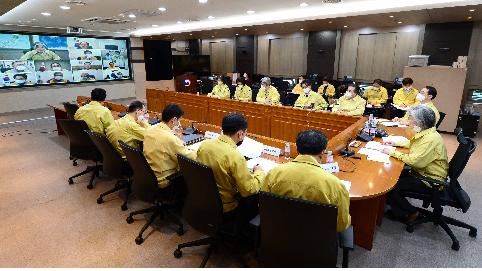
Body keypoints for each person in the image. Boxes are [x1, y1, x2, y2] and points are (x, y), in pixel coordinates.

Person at [262, 130, 351, 232]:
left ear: (297, 148)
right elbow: (341, 225)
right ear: (323, 152)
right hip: (317, 242)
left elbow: (264, 206)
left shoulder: (274, 173)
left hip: (279, 234)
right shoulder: (336, 186)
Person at [382, 105, 448, 222]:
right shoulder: (427, 132)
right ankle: (396, 206)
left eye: (411, 117)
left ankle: (411, 212)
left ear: (419, 121)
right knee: (389, 176)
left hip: (429, 179)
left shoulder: (430, 139)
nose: (408, 120)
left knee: (390, 186)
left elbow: (415, 162)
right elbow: (413, 144)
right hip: (423, 172)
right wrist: (394, 142)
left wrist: (393, 152)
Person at [197, 112, 265, 225]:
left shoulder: (205, 145)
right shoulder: (235, 156)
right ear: (239, 134)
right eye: (245, 133)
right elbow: (248, 190)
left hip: (205, 198)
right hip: (227, 206)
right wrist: (259, 173)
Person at [144, 104, 196, 188]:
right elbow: (190, 157)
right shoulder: (170, 138)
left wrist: (176, 139)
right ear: (174, 120)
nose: (179, 124)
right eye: (179, 120)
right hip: (165, 180)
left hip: (150, 175)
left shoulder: (150, 129)